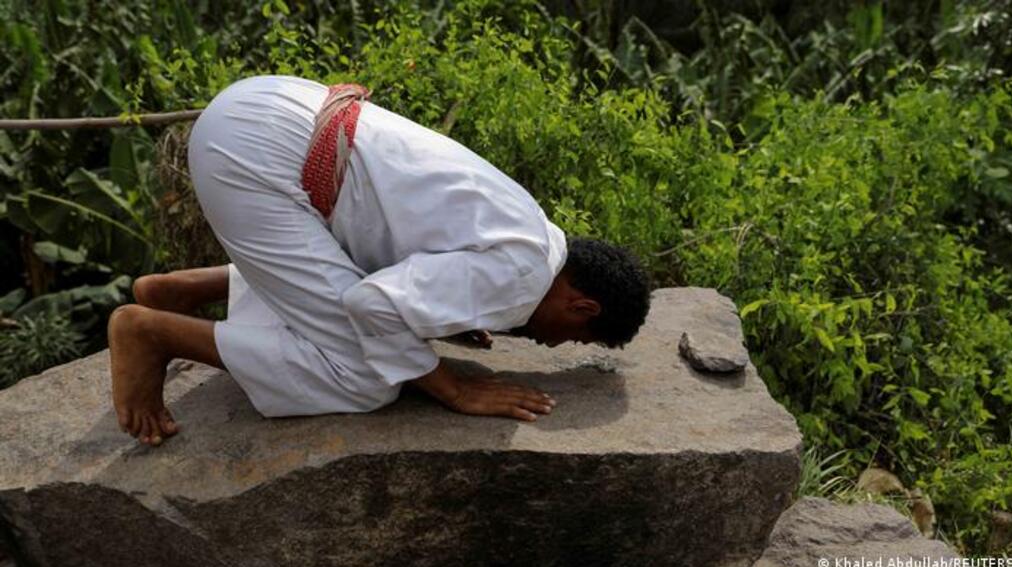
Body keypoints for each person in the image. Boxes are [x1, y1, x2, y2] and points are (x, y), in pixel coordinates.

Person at [109, 75, 650, 447]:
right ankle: (152, 333)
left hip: (269, 107)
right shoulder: (520, 278)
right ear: (582, 304)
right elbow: (370, 304)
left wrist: (449, 320)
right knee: (366, 376)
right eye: (572, 337)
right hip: (255, 160)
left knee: (368, 324)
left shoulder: (535, 232)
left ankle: (186, 291)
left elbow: (397, 251)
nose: (550, 346)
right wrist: (453, 388)